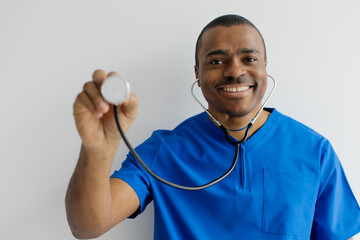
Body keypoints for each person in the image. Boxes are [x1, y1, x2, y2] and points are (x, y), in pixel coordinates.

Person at [65, 14, 360, 240]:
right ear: (198, 72)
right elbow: (87, 225)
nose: (234, 71)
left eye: (249, 58)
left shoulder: (314, 151)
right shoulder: (164, 152)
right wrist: (98, 149)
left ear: (265, 67)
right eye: (217, 60)